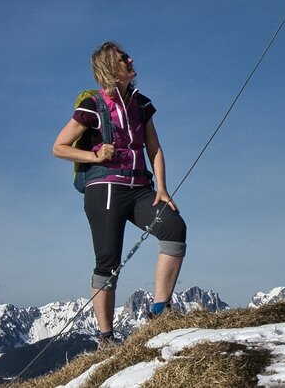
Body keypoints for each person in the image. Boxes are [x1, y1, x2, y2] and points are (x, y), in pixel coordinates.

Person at [52, 41, 186, 346]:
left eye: (128, 55)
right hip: (104, 190)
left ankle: (160, 311)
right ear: (110, 68)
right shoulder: (92, 106)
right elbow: (58, 147)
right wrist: (96, 156)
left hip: (141, 189)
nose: (130, 59)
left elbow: (154, 149)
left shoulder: (141, 104)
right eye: (123, 58)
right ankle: (106, 337)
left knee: (175, 229)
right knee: (108, 263)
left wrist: (162, 187)